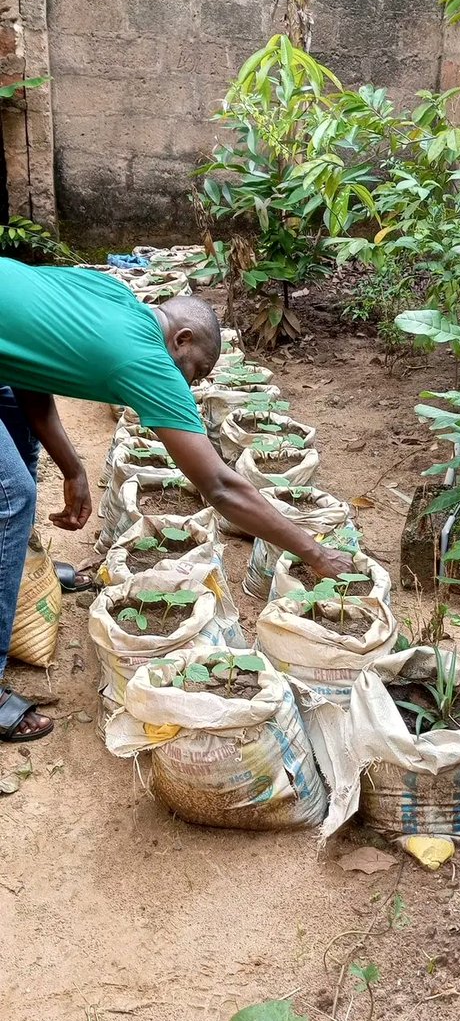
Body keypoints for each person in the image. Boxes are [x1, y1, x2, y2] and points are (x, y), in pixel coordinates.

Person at [0, 257, 354, 742]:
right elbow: (222, 487)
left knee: (18, 455)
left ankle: (22, 572)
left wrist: (74, 467)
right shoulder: (147, 359)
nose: (198, 383)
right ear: (181, 339)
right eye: (199, 369)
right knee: (12, 496)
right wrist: (313, 552)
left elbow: (27, 360)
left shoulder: (119, 297)